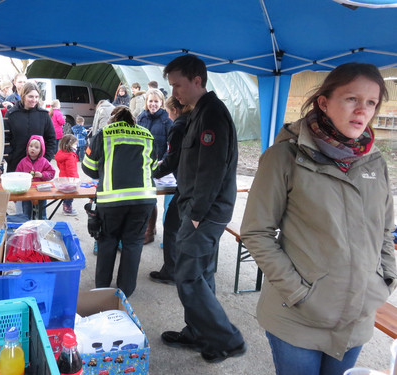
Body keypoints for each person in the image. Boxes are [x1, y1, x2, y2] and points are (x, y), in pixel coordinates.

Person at [240, 63, 397, 375]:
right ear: (324, 102)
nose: (362, 111)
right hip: (298, 318)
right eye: (352, 99)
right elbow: (256, 232)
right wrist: (300, 294)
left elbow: (385, 229)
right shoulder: (284, 157)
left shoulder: (375, 162)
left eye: (371, 103)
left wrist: (385, 281)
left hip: (357, 317)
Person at [160, 54, 246, 363]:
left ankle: (228, 339)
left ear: (197, 80)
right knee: (202, 273)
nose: (174, 93)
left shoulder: (211, 114)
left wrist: (195, 215)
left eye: (178, 85)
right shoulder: (199, 112)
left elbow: (212, 169)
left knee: (188, 275)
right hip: (199, 208)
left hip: (204, 212)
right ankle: (200, 335)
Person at [82, 106, 157, 298]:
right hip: (143, 200)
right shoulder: (147, 134)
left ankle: (102, 289)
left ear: (112, 119)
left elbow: (89, 168)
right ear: (133, 119)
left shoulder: (104, 134)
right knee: (133, 243)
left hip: (111, 201)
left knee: (107, 242)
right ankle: (125, 291)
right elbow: (153, 166)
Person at [149, 96, 191, 285]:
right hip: (194, 183)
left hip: (187, 185)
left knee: (172, 227)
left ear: (174, 110)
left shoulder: (179, 126)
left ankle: (171, 271)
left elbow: (172, 158)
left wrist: (154, 172)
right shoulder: (193, 121)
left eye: (168, 111)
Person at [137, 88, 173, 244]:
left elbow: (171, 144)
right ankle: (150, 231)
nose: (153, 104)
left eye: (156, 101)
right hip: (145, 166)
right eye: (150, 101)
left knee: (169, 203)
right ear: (146, 102)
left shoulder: (167, 119)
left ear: (161, 103)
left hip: (164, 166)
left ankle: (169, 238)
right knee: (149, 199)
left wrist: (164, 161)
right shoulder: (141, 117)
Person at [4, 81, 56, 172]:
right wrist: (10, 157)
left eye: (36, 97)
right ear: (23, 96)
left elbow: (51, 139)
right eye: (30, 96)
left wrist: (45, 159)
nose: (34, 100)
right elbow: (5, 138)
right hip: (16, 164)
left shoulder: (43, 115)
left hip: (38, 168)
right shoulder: (11, 114)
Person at [15, 135, 56, 219]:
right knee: (27, 213)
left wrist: (42, 175)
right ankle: (28, 226)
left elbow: (52, 173)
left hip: (41, 191)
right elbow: (17, 175)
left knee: (41, 214)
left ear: (41, 150)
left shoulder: (44, 162)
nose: (33, 149)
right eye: (31, 146)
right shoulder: (23, 162)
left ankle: (42, 226)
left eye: (36, 147)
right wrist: (23, 178)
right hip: (27, 191)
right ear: (27, 147)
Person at [55, 134, 79, 216]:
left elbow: (59, 165)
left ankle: (66, 206)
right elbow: (71, 170)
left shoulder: (61, 153)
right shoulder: (70, 156)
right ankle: (67, 209)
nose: (77, 145)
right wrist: (75, 180)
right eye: (75, 144)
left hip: (63, 177)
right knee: (70, 195)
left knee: (66, 194)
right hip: (70, 180)